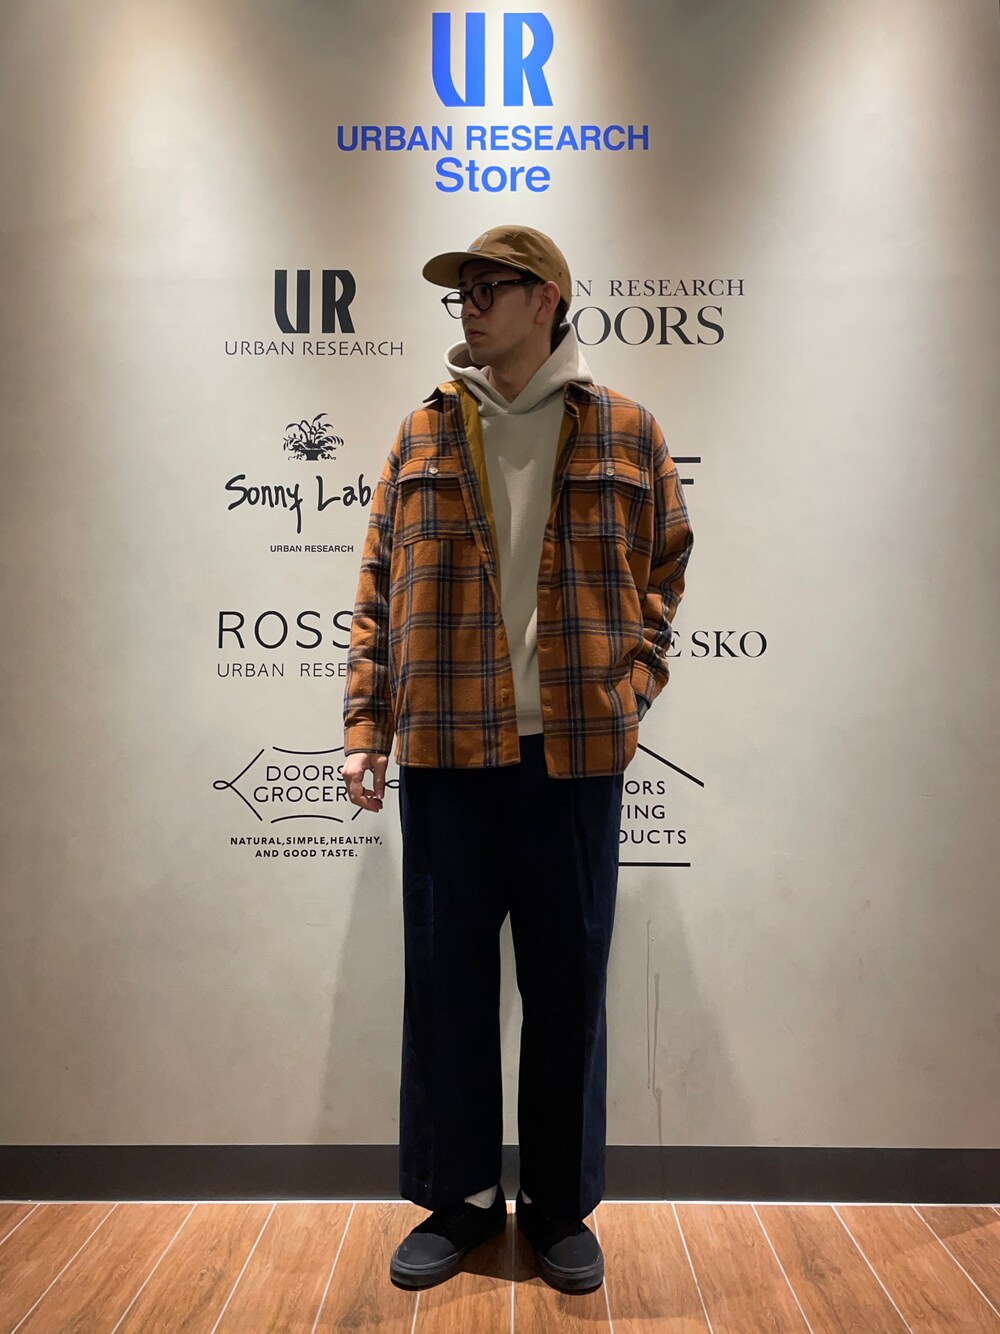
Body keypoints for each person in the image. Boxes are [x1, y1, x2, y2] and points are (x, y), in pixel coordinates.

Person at [342, 224, 694, 1294]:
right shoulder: (422, 431)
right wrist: (365, 728)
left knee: (567, 986)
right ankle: (456, 1199)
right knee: (446, 984)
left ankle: (555, 1205)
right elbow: (375, 591)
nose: (469, 303)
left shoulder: (626, 431)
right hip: (449, 751)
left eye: (489, 286)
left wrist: (630, 689)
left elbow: (666, 572)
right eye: (461, 289)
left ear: (546, 299)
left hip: (573, 760)